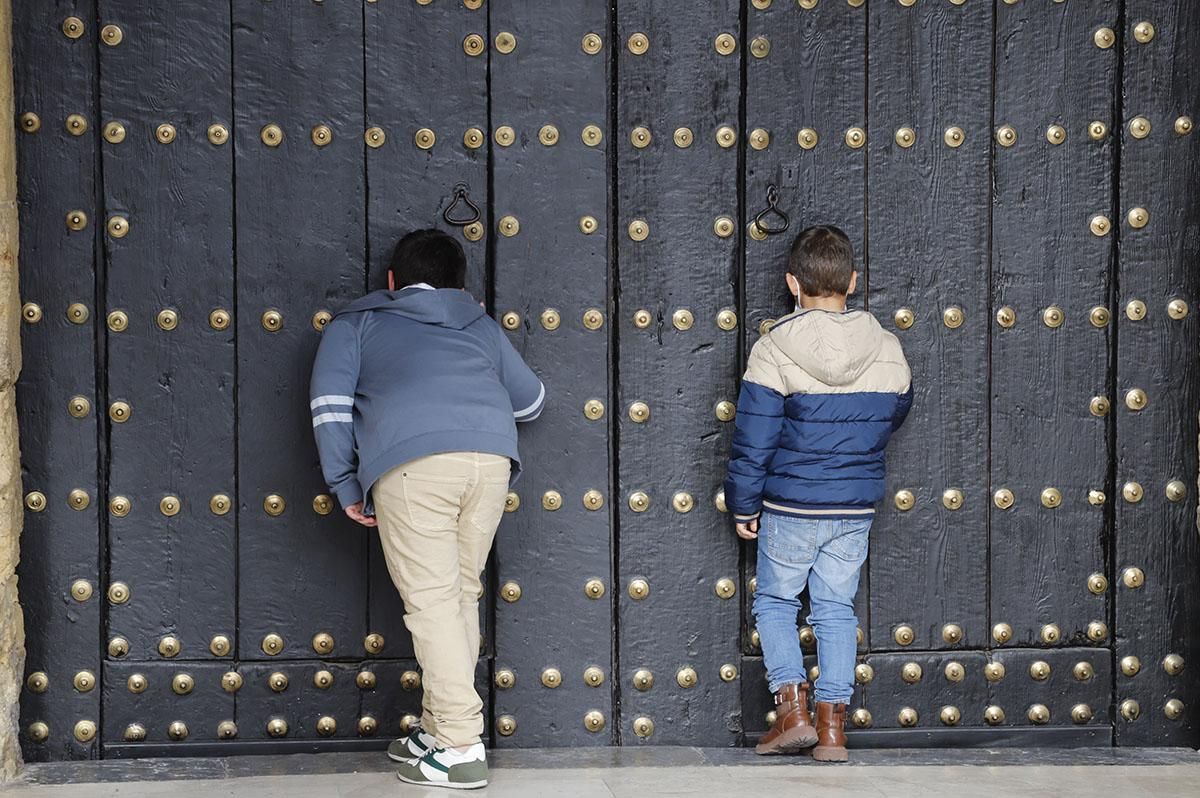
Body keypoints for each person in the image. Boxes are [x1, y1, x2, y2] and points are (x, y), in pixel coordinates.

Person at [310, 228, 544, 789]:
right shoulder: (479, 326)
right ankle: (439, 729)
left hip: (414, 466)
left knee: (434, 603)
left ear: (391, 282)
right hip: (489, 464)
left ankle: (462, 745)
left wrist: (345, 482)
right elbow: (533, 402)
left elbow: (329, 406)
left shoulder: (357, 324)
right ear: (460, 286)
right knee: (459, 596)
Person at [724, 225, 912, 762]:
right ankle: (832, 728)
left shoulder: (773, 347)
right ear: (852, 281)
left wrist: (743, 501)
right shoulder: (887, 346)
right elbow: (894, 412)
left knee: (776, 602)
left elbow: (754, 435)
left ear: (792, 283)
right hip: (853, 505)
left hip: (789, 504)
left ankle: (791, 712)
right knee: (835, 609)